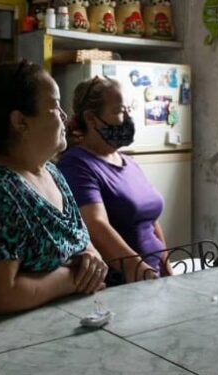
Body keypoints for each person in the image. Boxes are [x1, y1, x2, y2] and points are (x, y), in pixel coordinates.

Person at [0, 60, 107, 315]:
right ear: (20, 121)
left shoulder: (51, 172)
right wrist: (72, 279)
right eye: (54, 105)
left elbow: (80, 243)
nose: (64, 115)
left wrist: (90, 258)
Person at [58, 76, 173, 285]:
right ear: (91, 119)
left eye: (127, 109)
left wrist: (167, 267)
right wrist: (135, 267)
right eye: (119, 111)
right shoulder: (76, 164)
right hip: (123, 283)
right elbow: (95, 224)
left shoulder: (129, 162)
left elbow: (151, 219)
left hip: (153, 277)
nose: (127, 117)